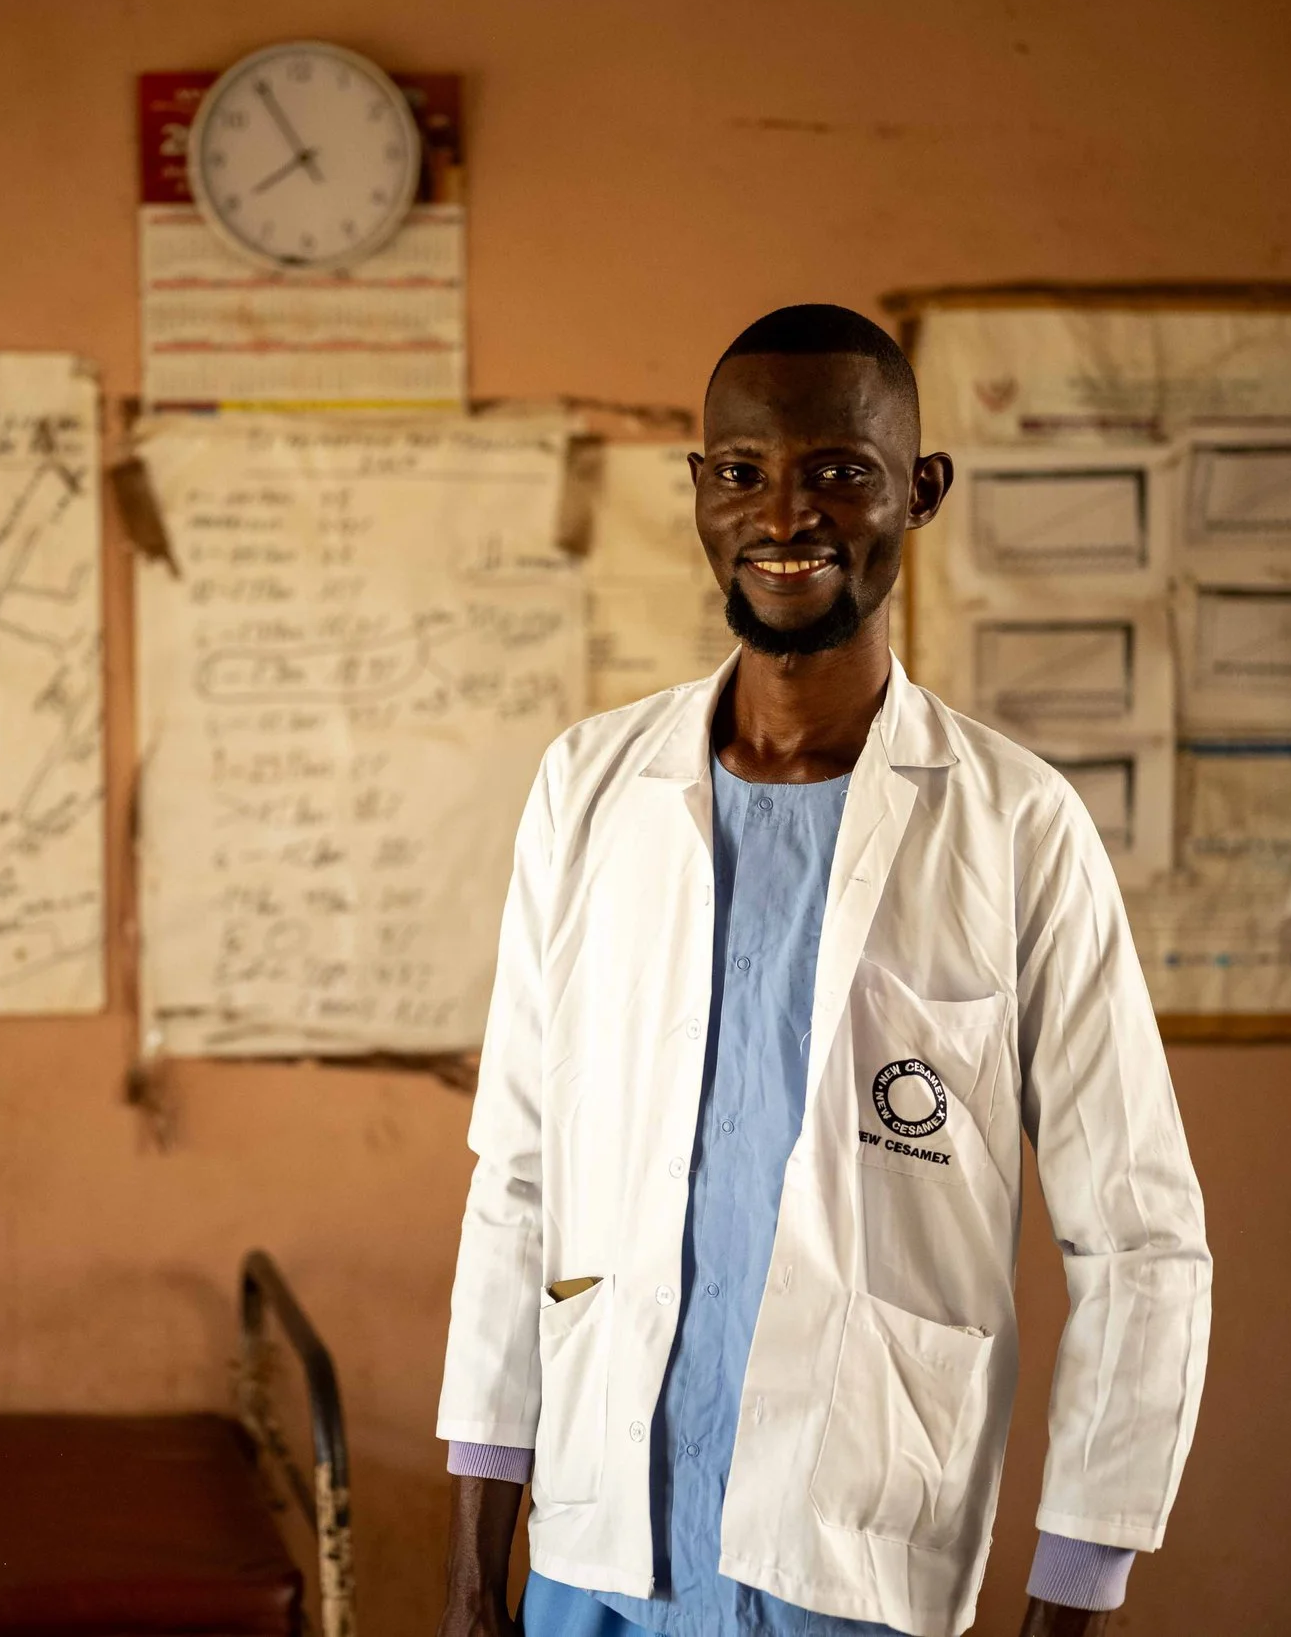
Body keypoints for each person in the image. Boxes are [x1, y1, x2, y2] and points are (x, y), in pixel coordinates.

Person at [434, 305, 1210, 1637]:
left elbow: (1141, 1241)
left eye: (840, 470)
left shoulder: (1016, 826)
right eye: (742, 471)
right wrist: (469, 1577)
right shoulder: (588, 791)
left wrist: (1070, 1601)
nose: (784, 513)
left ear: (921, 491)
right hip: (596, 1552)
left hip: (853, 1559)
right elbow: (517, 1178)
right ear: (700, 496)